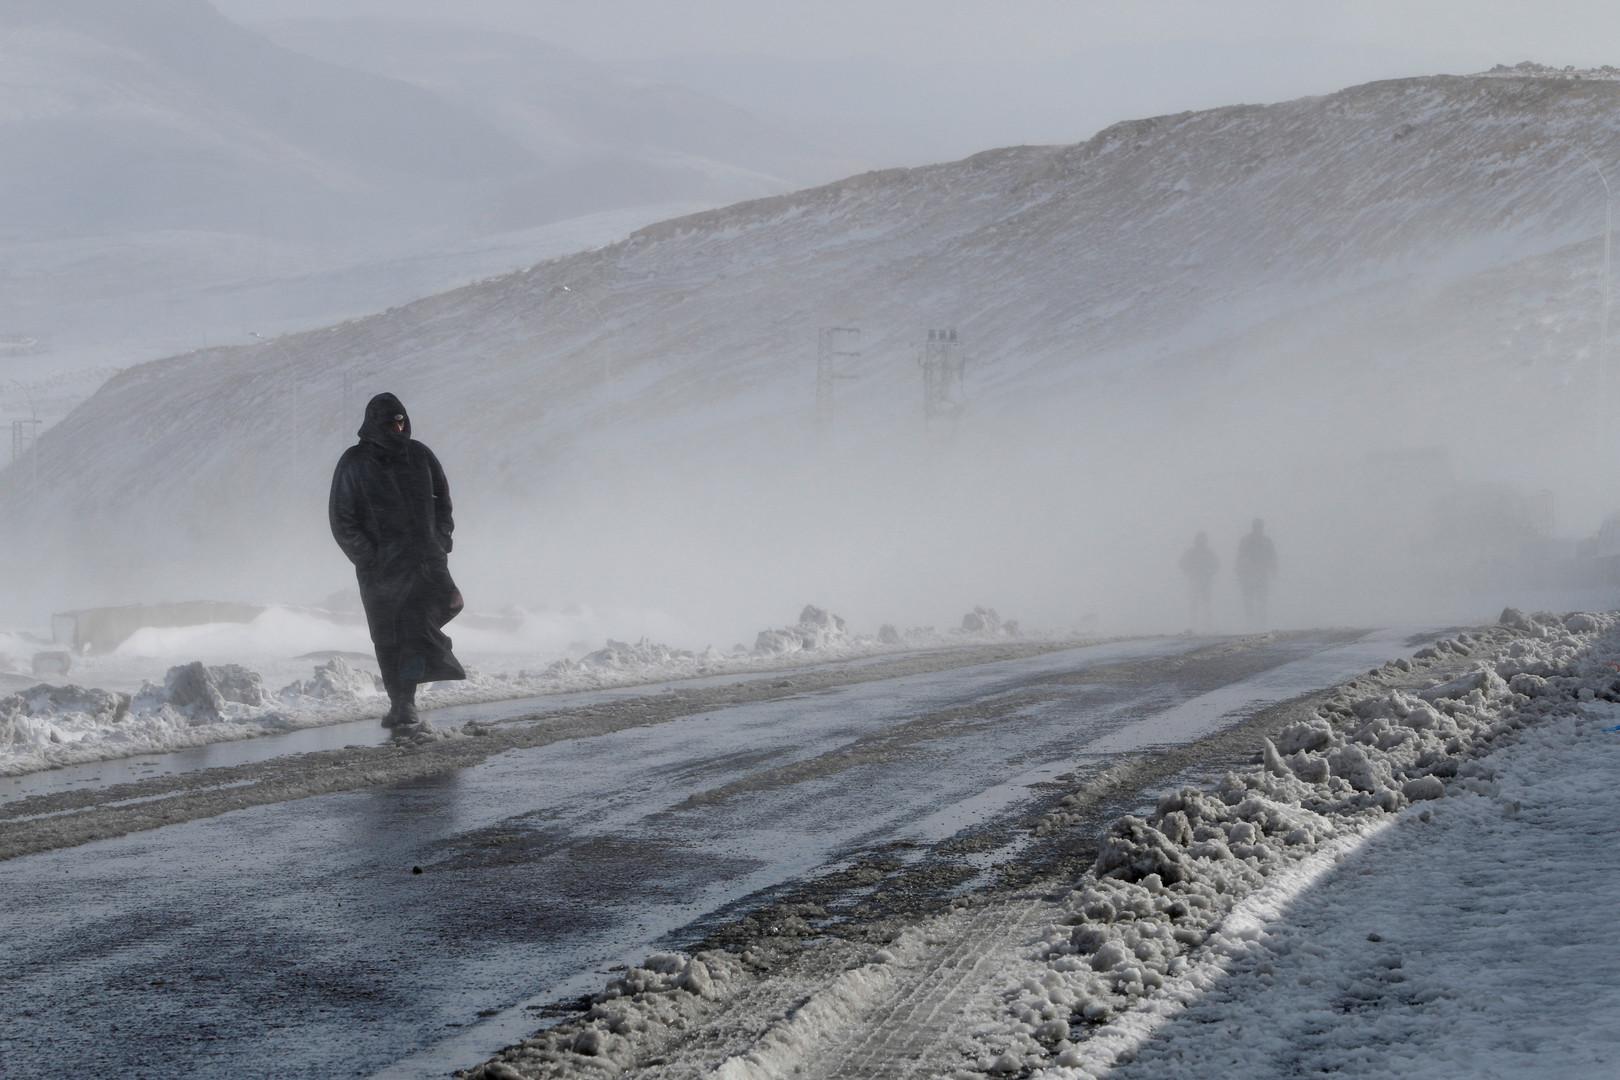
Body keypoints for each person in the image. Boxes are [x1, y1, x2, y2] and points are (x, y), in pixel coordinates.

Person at [329, 392, 465, 732]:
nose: (398, 427)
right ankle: (402, 703)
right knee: (389, 638)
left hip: (426, 562)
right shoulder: (354, 462)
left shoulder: (420, 455)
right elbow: (342, 518)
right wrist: (368, 558)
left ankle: (407, 698)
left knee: (431, 617)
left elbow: (443, 502)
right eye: (391, 422)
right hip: (383, 571)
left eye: (402, 420)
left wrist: (441, 539)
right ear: (375, 424)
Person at [1234, 518, 1278, 629]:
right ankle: (1250, 622)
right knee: (1249, 599)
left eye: (1260, 526)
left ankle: (1262, 623)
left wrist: (1273, 569)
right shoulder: (1246, 540)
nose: (1258, 528)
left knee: (1262, 599)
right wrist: (1239, 570)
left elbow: (1272, 556)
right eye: (1257, 526)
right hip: (1248, 574)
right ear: (1253, 527)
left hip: (1261, 573)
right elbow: (1240, 556)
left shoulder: (1266, 541)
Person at [1179, 531, 1218, 632]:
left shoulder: (1208, 553)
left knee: (1205, 603)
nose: (1201, 542)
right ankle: (1194, 625)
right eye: (1200, 540)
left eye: (1203, 540)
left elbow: (1216, 565)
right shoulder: (1192, 553)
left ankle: (1208, 625)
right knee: (1195, 603)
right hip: (1195, 579)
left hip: (1205, 580)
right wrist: (1190, 572)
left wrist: (1210, 572)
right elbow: (1183, 564)